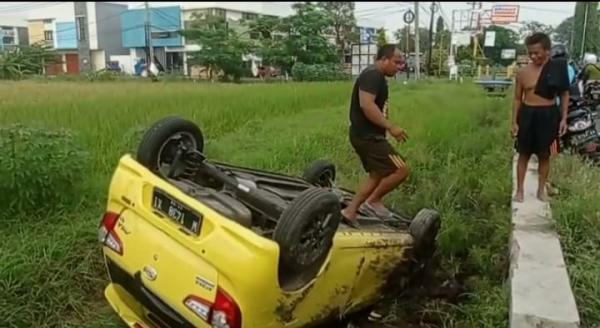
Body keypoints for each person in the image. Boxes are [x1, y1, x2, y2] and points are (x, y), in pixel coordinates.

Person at [341, 44, 408, 227]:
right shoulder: (373, 75)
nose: (399, 66)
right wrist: (391, 127)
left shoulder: (377, 76)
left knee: (377, 174)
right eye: (396, 62)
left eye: (401, 63)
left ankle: (351, 210)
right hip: (368, 137)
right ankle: (372, 202)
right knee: (401, 169)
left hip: (367, 135)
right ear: (384, 59)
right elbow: (367, 105)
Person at [512, 32, 570, 203]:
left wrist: (564, 118)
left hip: (549, 114)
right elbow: (517, 99)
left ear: (547, 51)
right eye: (530, 53)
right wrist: (514, 122)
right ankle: (520, 191)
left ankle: (541, 190)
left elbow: (565, 94)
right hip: (528, 114)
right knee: (523, 154)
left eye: (537, 52)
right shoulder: (523, 73)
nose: (533, 56)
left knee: (545, 155)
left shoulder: (558, 68)